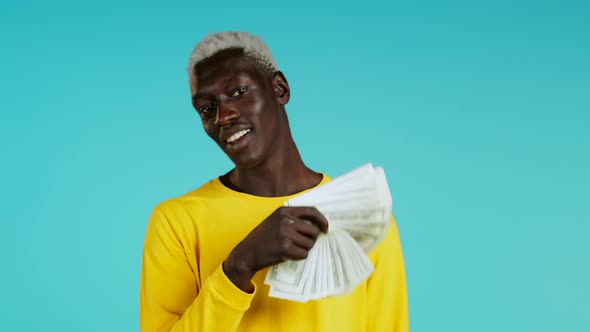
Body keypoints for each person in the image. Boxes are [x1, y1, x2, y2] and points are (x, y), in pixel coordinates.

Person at [139, 31, 409, 331]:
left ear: (279, 89)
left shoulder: (364, 216)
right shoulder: (176, 222)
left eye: (238, 92)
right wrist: (239, 265)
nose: (223, 116)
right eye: (207, 108)